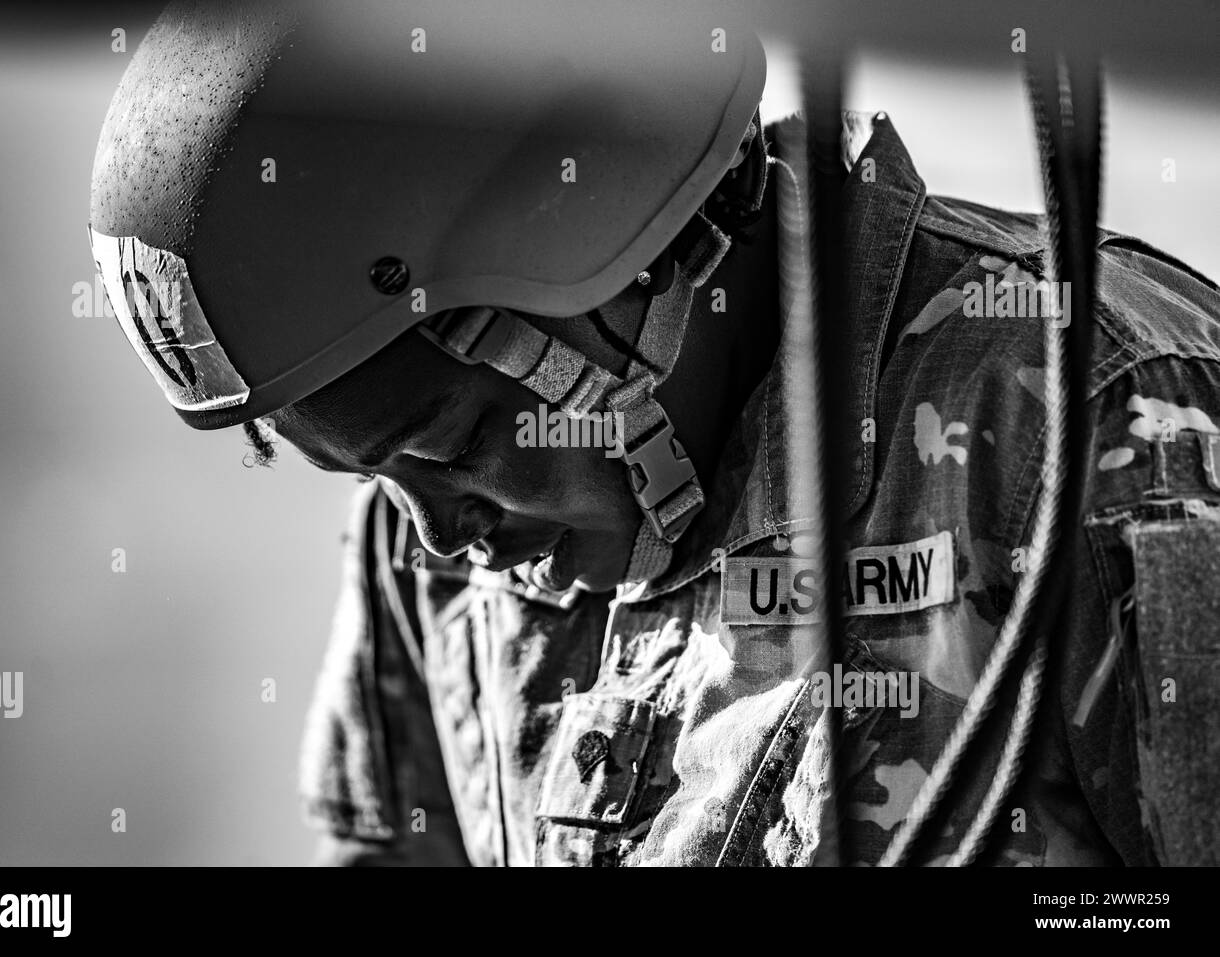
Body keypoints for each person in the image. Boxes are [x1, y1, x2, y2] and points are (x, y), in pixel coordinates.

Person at [90, 0, 1220, 866]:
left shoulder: (1101, 420)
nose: (435, 540)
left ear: (639, 280)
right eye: (365, 471)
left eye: (451, 449)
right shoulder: (421, 544)